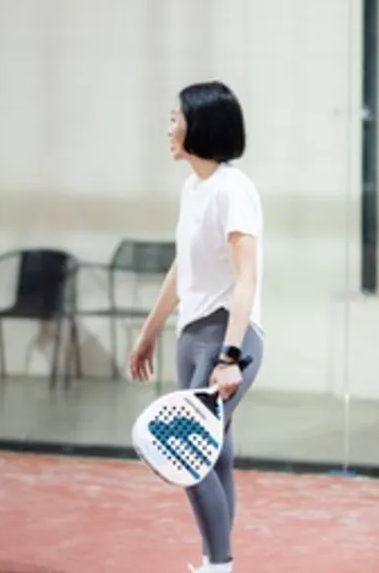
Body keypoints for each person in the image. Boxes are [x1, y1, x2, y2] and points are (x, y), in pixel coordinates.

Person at [129, 81, 264, 573]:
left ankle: (217, 566)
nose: (169, 129)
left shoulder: (234, 190)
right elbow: (182, 269)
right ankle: (217, 562)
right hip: (191, 337)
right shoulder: (193, 188)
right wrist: (149, 333)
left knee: (185, 453)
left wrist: (229, 357)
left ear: (199, 127)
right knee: (214, 455)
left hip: (226, 337)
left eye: (175, 119)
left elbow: (245, 279)